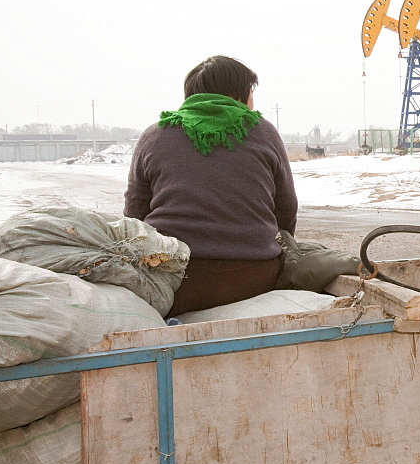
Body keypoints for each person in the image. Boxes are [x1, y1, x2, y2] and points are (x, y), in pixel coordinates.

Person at [124, 56, 298, 318]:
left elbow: (135, 212)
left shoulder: (156, 134)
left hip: (173, 280)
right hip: (252, 277)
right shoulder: (262, 130)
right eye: (251, 93)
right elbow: (286, 207)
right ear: (239, 94)